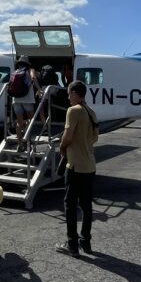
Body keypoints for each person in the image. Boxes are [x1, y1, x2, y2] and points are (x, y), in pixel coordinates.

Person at [56, 80, 99, 257]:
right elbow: (95, 138)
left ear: (75, 93)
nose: (67, 97)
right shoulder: (91, 112)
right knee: (86, 205)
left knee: (70, 205)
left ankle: (72, 244)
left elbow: (67, 136)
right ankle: (85, 242)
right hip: (89, 165)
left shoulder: (73, 111)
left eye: (68, 93)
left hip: (75, 166)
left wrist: (62, 148)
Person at [10, 56, 41, 150]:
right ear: (27, 63)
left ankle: (20, 145)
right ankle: (28, 143)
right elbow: (33, 77)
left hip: (16, 100)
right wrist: (39, 89)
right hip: (27, 100)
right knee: (30, 121)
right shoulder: (30, 70)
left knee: (19, 123)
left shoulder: (15, 72)